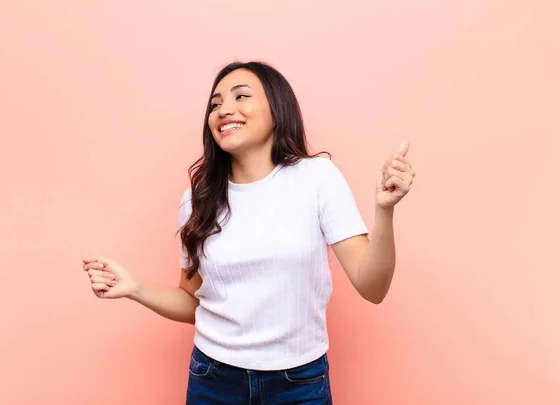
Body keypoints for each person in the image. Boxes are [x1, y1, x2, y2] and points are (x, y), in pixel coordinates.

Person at [82, 61, 415, 404]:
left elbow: (372, 287)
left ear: (277, 109)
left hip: (299, 381)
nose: (224, 110)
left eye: (241, 96)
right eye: (215, 104)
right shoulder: (197, 202)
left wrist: (384, 210)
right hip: (213, 379)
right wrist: (134, 288)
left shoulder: (317, 178)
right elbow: (193, 301)